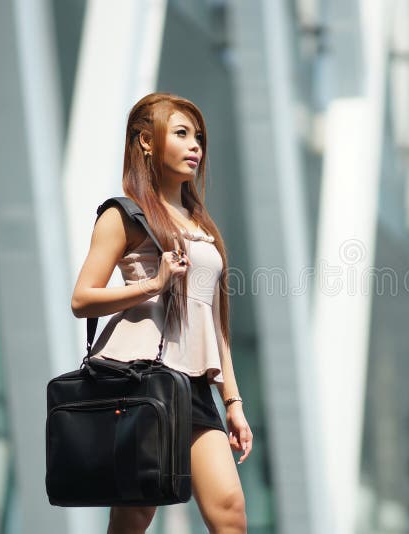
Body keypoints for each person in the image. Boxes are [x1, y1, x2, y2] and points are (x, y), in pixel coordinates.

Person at [70, 93, 252, 534]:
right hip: (141, 379)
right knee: (136, 513)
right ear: (146, 142)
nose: (196, 147)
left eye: (200, 138)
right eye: (182, 133)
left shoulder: (202, 225)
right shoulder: (124, 216)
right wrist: (152, 285)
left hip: (193, 387)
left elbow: (214, 321)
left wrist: (233, 401)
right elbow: (82, 299)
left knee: (230, 511)